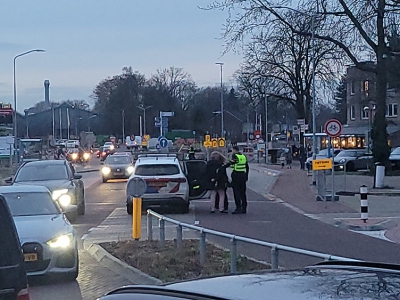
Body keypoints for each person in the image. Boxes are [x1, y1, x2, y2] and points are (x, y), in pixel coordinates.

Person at [226, 146, 249, 214]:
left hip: (236, 175)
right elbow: (247, 166)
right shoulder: (243, 156)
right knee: (243, 193)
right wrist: (246, 176)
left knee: (236, 192)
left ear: (234, 150)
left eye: (232, 150)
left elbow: (232, 163)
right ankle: (244, 208)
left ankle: (238, 208)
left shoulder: (234, 156)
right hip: (243, 175)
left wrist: (223, 166)